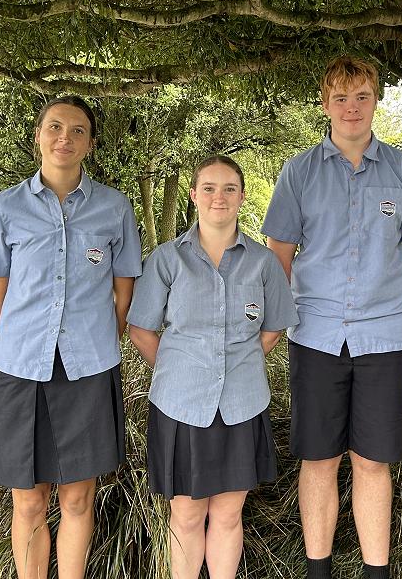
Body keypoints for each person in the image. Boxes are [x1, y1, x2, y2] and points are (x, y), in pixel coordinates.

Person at [262, 56, 402, 579]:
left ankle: (375, 572)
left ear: (376, 101)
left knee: (372, 460)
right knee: (319, 459)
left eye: (362, 96)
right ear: (325, 104)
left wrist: (378, 300)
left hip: (384, 339)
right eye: (341, 98)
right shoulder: (299, 172)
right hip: (315, 336)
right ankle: (317, 571)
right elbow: (279, 255)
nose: (352, 108)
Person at [0, 96, 142, 579]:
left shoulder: (114, 207)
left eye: (78, 130)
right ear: (38, 136)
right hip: (23, 369)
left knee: (78, 497)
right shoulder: (5, 208)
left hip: (88, 368)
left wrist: (101, 337)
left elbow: (123, 291)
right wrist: (23, 345)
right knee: (28, 500)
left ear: (90, 143)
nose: (65, 138)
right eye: (54, 127)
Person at [127, 155, 298, 579]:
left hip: (242, 404)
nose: (218, 197)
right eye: (208, 188)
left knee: (227, 514)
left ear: (242, 196)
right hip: (180, 406)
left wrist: (231, 366)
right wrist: (181, 368)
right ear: (193, 195)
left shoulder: (263, 263)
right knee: (186, 516)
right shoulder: (167, 260)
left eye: (228, 189)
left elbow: (273, 329)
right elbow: (141, 330)